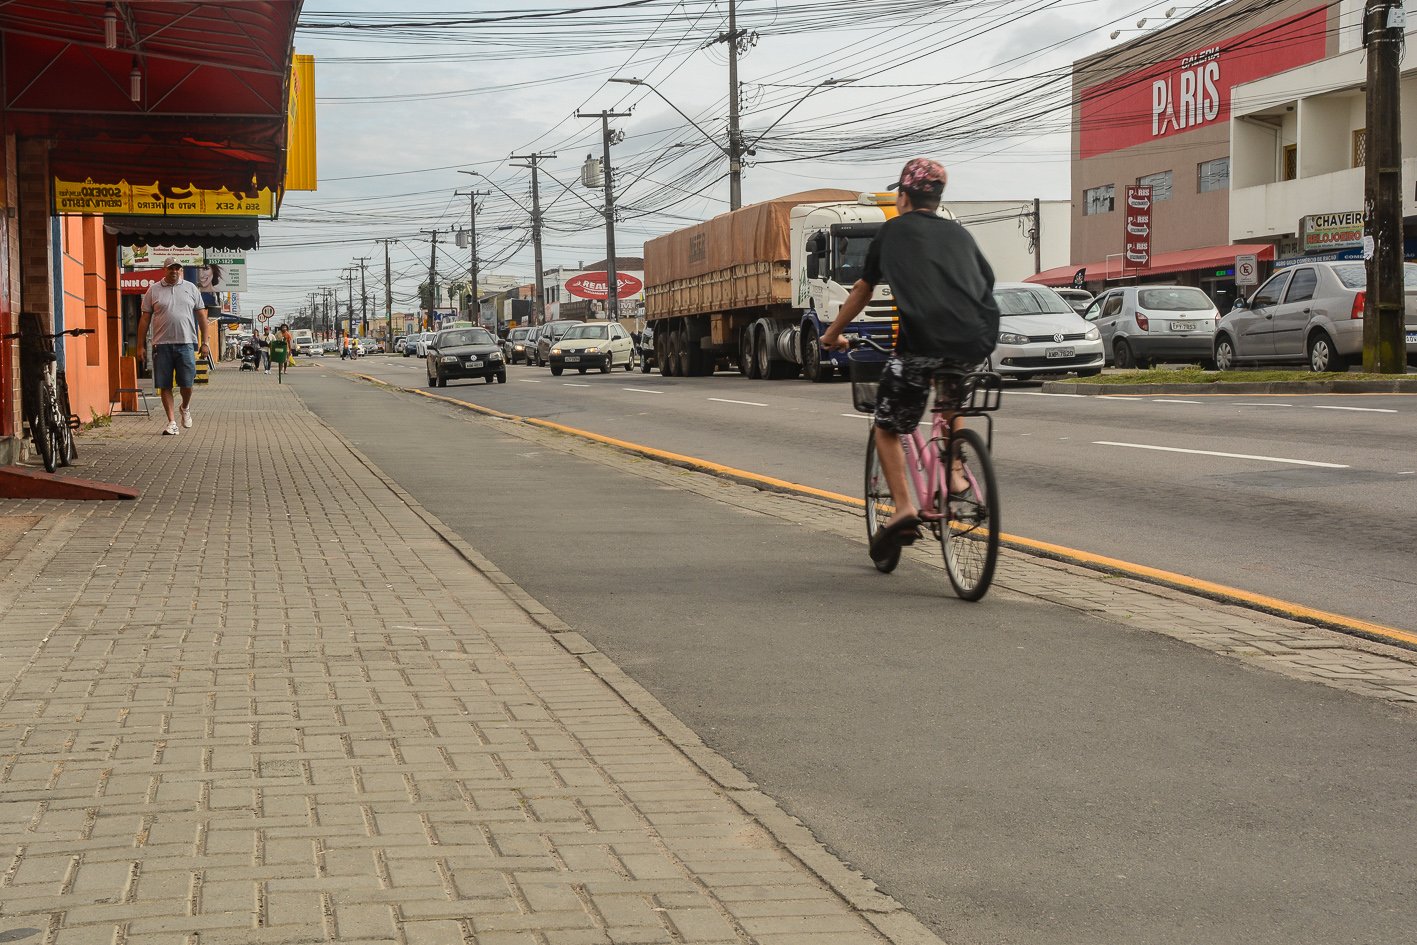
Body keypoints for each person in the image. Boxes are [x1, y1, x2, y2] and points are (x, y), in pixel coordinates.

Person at [821, 158, 1000, 562]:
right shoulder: (960, 234)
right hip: (974, 342)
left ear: (903, 197)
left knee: (887, 424)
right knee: (951, 400)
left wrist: (832, 334)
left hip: (921, 344)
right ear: (936, 200)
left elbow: (863, 291)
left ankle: (903, 508)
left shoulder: (893, 231)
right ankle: (955, 472)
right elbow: (985, 282)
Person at [137, 258, 210, 436]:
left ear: (181, 270)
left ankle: (184, 407)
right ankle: (171, 422)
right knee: (165, 384)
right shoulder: (153, 290)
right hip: (161, 345)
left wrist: (205, 342)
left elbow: (201, 316)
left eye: (177, 268)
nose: (174, 271)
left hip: (186, 343)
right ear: (164, 270)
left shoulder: (191, 288)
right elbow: (145, 319)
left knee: (187, 383)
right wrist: (140, 345)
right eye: (171, 268)